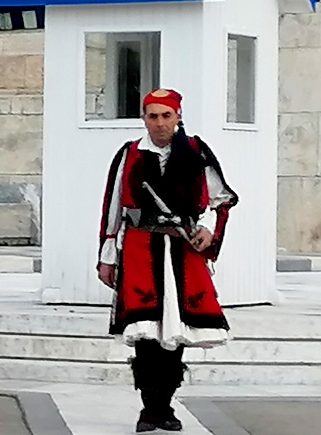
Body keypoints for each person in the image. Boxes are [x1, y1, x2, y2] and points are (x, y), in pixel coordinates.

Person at [94, 88, 238, 433]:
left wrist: (208, 230)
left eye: (166, 116)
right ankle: (150, 409)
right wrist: (107, 257)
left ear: (178, 117)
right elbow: (113, 208)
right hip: (141, 249)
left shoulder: (195, 152)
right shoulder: (129, 155)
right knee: (146, 333)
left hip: (182, 251)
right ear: (144, 118)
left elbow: (222, 200)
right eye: (153, 116)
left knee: (175, 332)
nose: (159, 123)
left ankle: (166, 407)